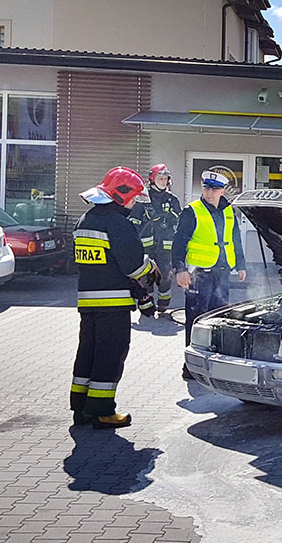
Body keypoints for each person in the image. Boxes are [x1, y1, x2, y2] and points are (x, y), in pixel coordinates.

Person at [71, 167, 156, 429]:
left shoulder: (84, 220)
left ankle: (81, 408)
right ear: (121, 195)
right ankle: (103, 411)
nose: (133, 203)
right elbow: (133, 267)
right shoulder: (118, 224)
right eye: (132, 197)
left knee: (88, 352)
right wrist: (151, 268)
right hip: (113, 303)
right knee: (110, 354)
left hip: (88, 302)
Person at [172, 170, 247, 379]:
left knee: (219, 319)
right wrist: (180, 270)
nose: (210, 192)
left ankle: (214, 363)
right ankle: (191, 368)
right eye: (206, 188)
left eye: (215, 189)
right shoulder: (192, 211)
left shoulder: (229, 210)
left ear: (223, 191)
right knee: (196, 321)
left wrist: (241, 265)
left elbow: (236, 238)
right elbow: (179, 242)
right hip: (199, 275)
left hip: (222, 273)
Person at [131, 164, 182, 318]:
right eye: (160, 178)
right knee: (147, 276)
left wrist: (168, 216)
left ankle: (163, 305)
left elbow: (179, 220)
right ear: (152, 179)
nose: (163, 180)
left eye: (165, 178)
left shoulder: (172, 199)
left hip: (165, 247)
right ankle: (148, 305)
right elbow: (133, 220)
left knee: (165, 276)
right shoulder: (143, 199)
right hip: (146, 247)